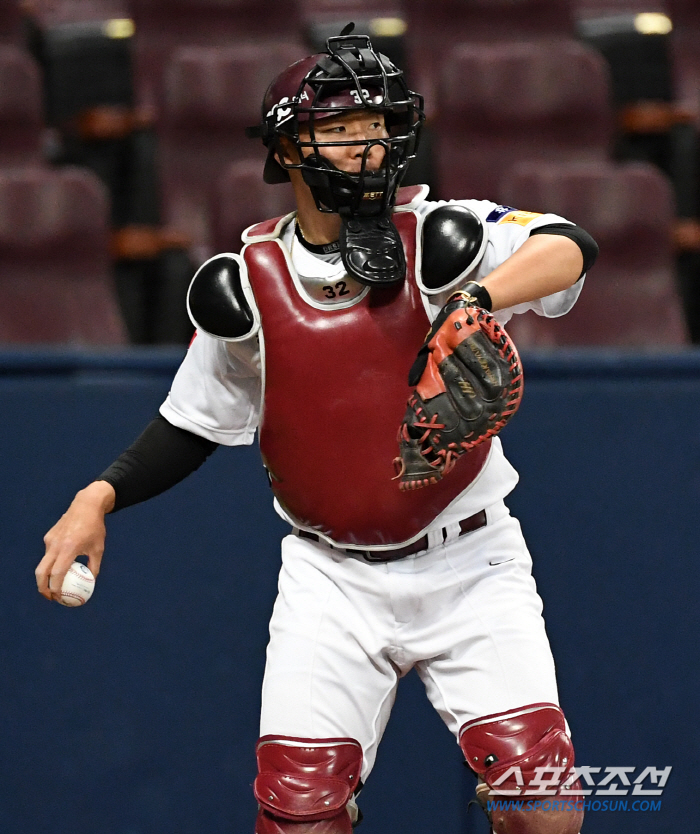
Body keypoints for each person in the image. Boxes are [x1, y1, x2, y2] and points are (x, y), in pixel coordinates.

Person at [36, 30, 597, 834]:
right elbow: (191, 423)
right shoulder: (246, 287)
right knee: (300, 819)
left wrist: (478, 299)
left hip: (471, 557)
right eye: (340, 129)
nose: (368, 146)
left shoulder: (441, 236)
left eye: (377, 125)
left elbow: (570, 246)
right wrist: (100, 494)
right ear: (291, 151)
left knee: (543, 811)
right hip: (332, 577)